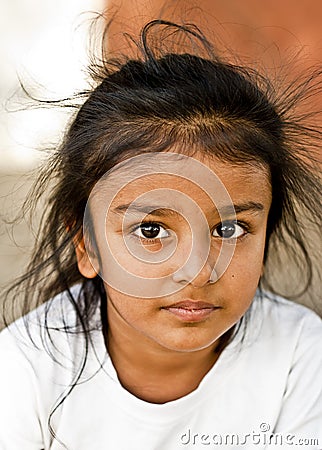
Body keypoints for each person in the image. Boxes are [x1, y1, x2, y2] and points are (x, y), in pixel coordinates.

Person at [0, 19, 321, 450]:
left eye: (230, 228)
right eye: (150, 229)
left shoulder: (300, 357)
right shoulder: (25, 369)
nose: (198, 270)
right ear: (86, 244)